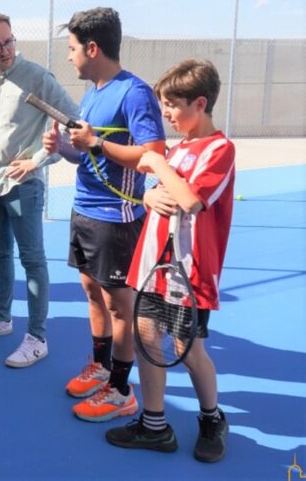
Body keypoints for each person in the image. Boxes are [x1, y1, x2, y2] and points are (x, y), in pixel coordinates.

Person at [105, 59, 234, 463]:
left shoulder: (220, 149)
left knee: (188, 349)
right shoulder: (180, 149)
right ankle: (154, 424)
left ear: (200, 103)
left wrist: (157, 162)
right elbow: (163, 192)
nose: (165, 113)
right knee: (147, 342)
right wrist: (147, 194)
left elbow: (192, 200)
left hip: (188, 273)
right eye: (162, 104)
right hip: (152, 266)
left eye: (172, 105)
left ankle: (212, 418)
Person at [43, 7, 166, 422]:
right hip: (84, 210)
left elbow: (154, 156)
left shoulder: (134, 92)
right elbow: (89, 157)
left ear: (92, 48)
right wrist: (64, 148)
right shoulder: (94, 91)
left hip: (116, 218)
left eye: (73, 48)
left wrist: (94, 143)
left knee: (119, 308)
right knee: (91, 292)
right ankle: (100, 366)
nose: (69, 56)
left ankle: (120, 389)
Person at [0, 13, 79, 366]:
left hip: (24, 185)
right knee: (0, 255)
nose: (5, 50)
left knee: (32, 260)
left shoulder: (37, 77)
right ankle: (1, 319)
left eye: (9, 41)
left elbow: (72, 120)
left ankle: (37, 337)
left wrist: (39, 159)